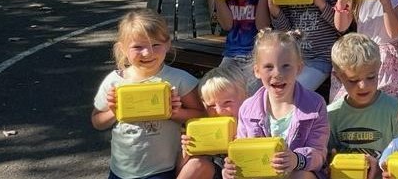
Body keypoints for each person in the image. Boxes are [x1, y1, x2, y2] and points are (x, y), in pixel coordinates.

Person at [91, 9, 205, 179]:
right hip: (121, 170)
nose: (148, 53)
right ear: (122, 49)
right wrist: (114, 112)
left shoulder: (179, 80)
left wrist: (176, 113)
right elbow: (97, 121)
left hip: (162, 170)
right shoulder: (114, 81)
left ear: (167, 44)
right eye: (138, 46)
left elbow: (203, 114)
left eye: (155, 45)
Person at [222, 29, 329, 179]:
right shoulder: (248, 108)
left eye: (286, 66)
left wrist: (296, 159)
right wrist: (231, 170)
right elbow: (241, 149)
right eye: (269, 67)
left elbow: (318, 154)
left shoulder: (315, 105)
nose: (278, 73)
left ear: (299, 68)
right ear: (257, 71)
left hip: (295, 173)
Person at [327, 33, 398, 179]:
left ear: (379, 68)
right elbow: (328, 156)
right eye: (353, 80)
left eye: (370, 77)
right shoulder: (331, 114)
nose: (363, 86)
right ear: (338, 77)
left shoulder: (395, 110)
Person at [178, 66, 250, 179]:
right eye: (211, 106)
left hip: (241, 173)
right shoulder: (203, 129)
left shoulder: (253, 125)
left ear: (246, 98)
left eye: (227, 102)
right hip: (214, 172)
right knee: (197, 164)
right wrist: (187, 152)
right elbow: (181, 171)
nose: (219, 111)